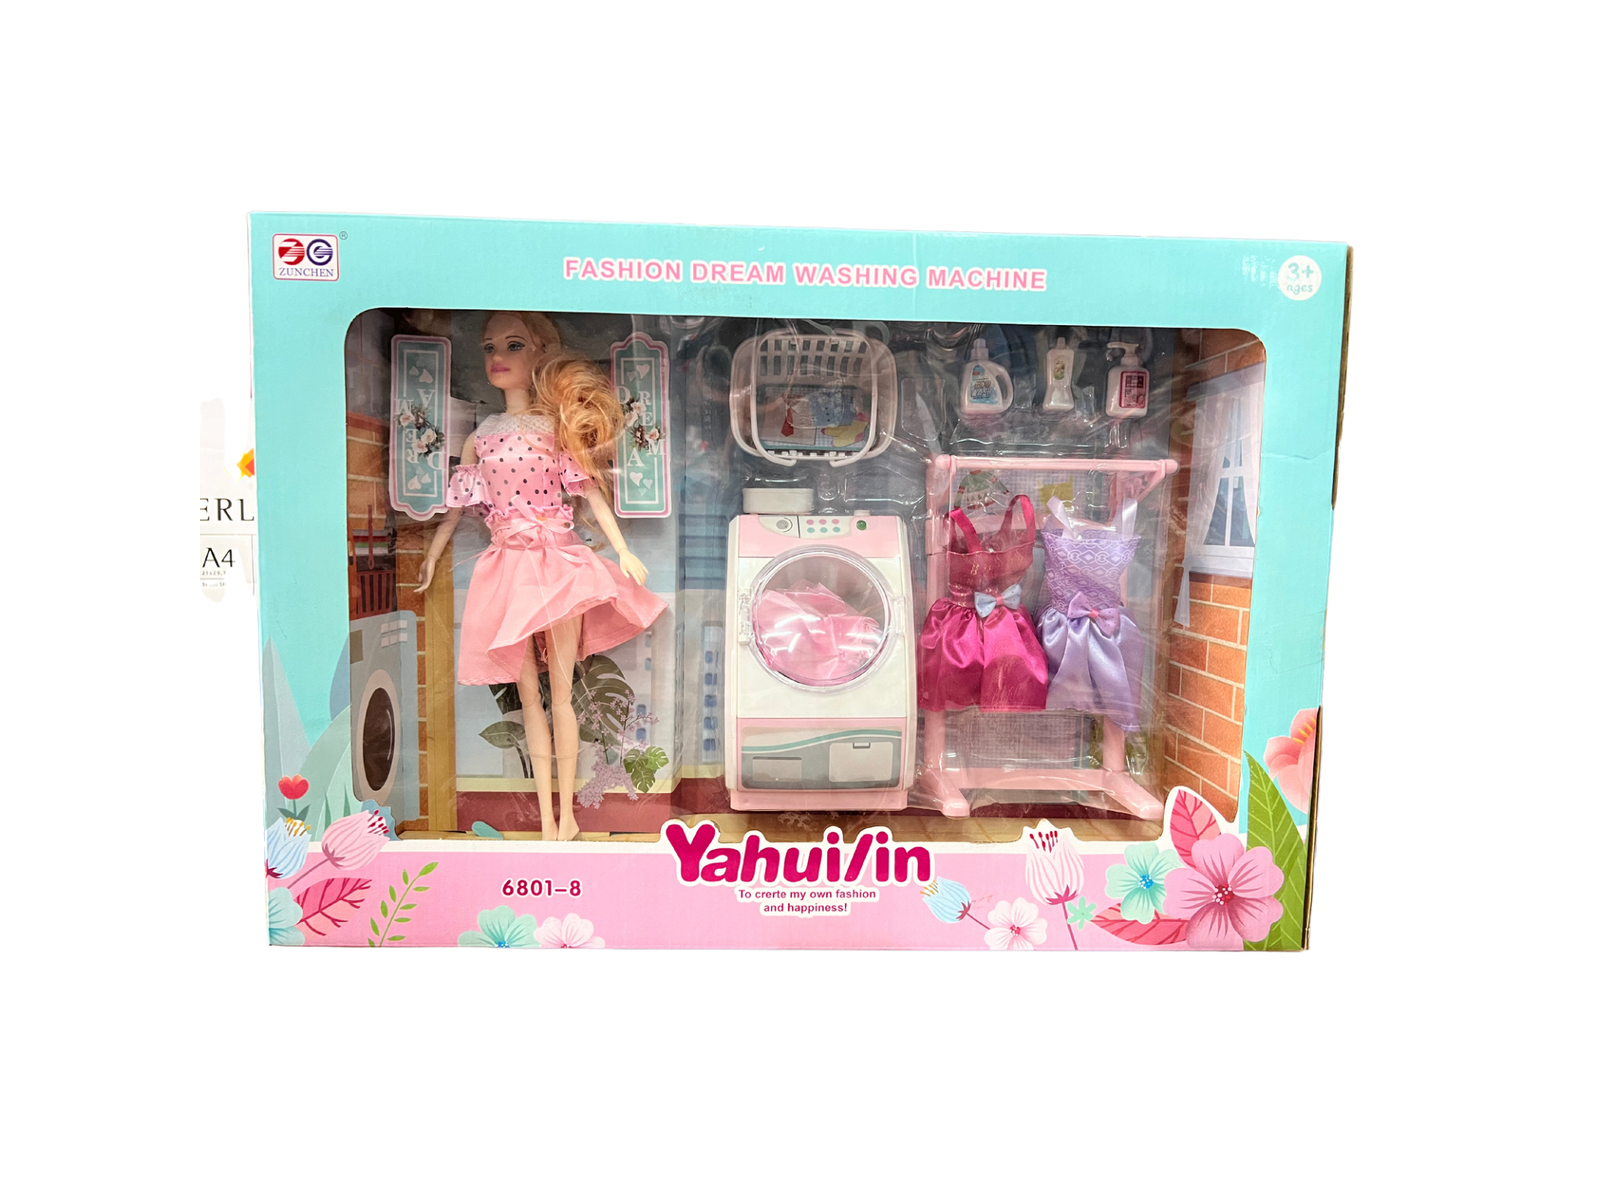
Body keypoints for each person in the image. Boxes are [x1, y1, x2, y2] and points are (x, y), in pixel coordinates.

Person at [417, 312, 665, 840]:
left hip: (556, 565)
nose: (497, 357)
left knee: (562, 691)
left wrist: (622, 549)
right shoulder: (481, 438)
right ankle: (548, 819)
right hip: (507, 566)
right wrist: (433, 553)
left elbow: (589, 492)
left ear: (540, 352)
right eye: (489, 347)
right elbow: (456, 511)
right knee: (529, 695)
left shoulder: (555, 431)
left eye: (513, 345)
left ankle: (568, 817)